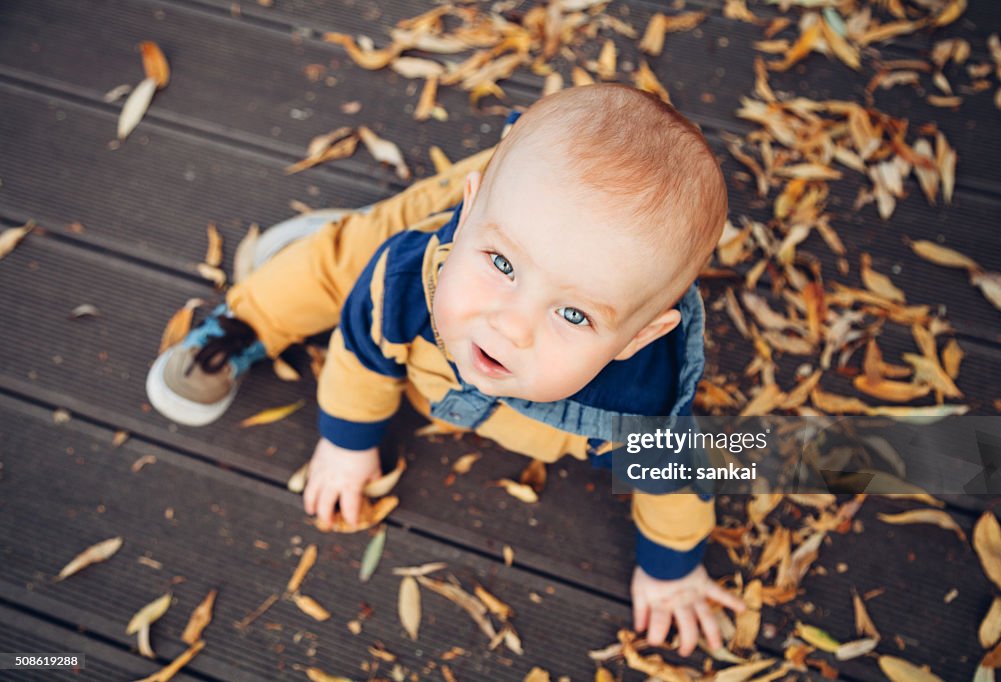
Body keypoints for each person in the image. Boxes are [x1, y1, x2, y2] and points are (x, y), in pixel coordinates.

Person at [146, 83, 744, 655]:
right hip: (434, 237)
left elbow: (675, 483)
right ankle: (249, 318)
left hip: (505, 237)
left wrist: (672, 572)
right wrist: (348, 443)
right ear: (471, 208)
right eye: (503, 266)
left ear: (637, 338)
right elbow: (360, 356)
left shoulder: (640, 407)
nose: (510, 325)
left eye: (572, 313)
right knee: (342, 266)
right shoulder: (415, 274)